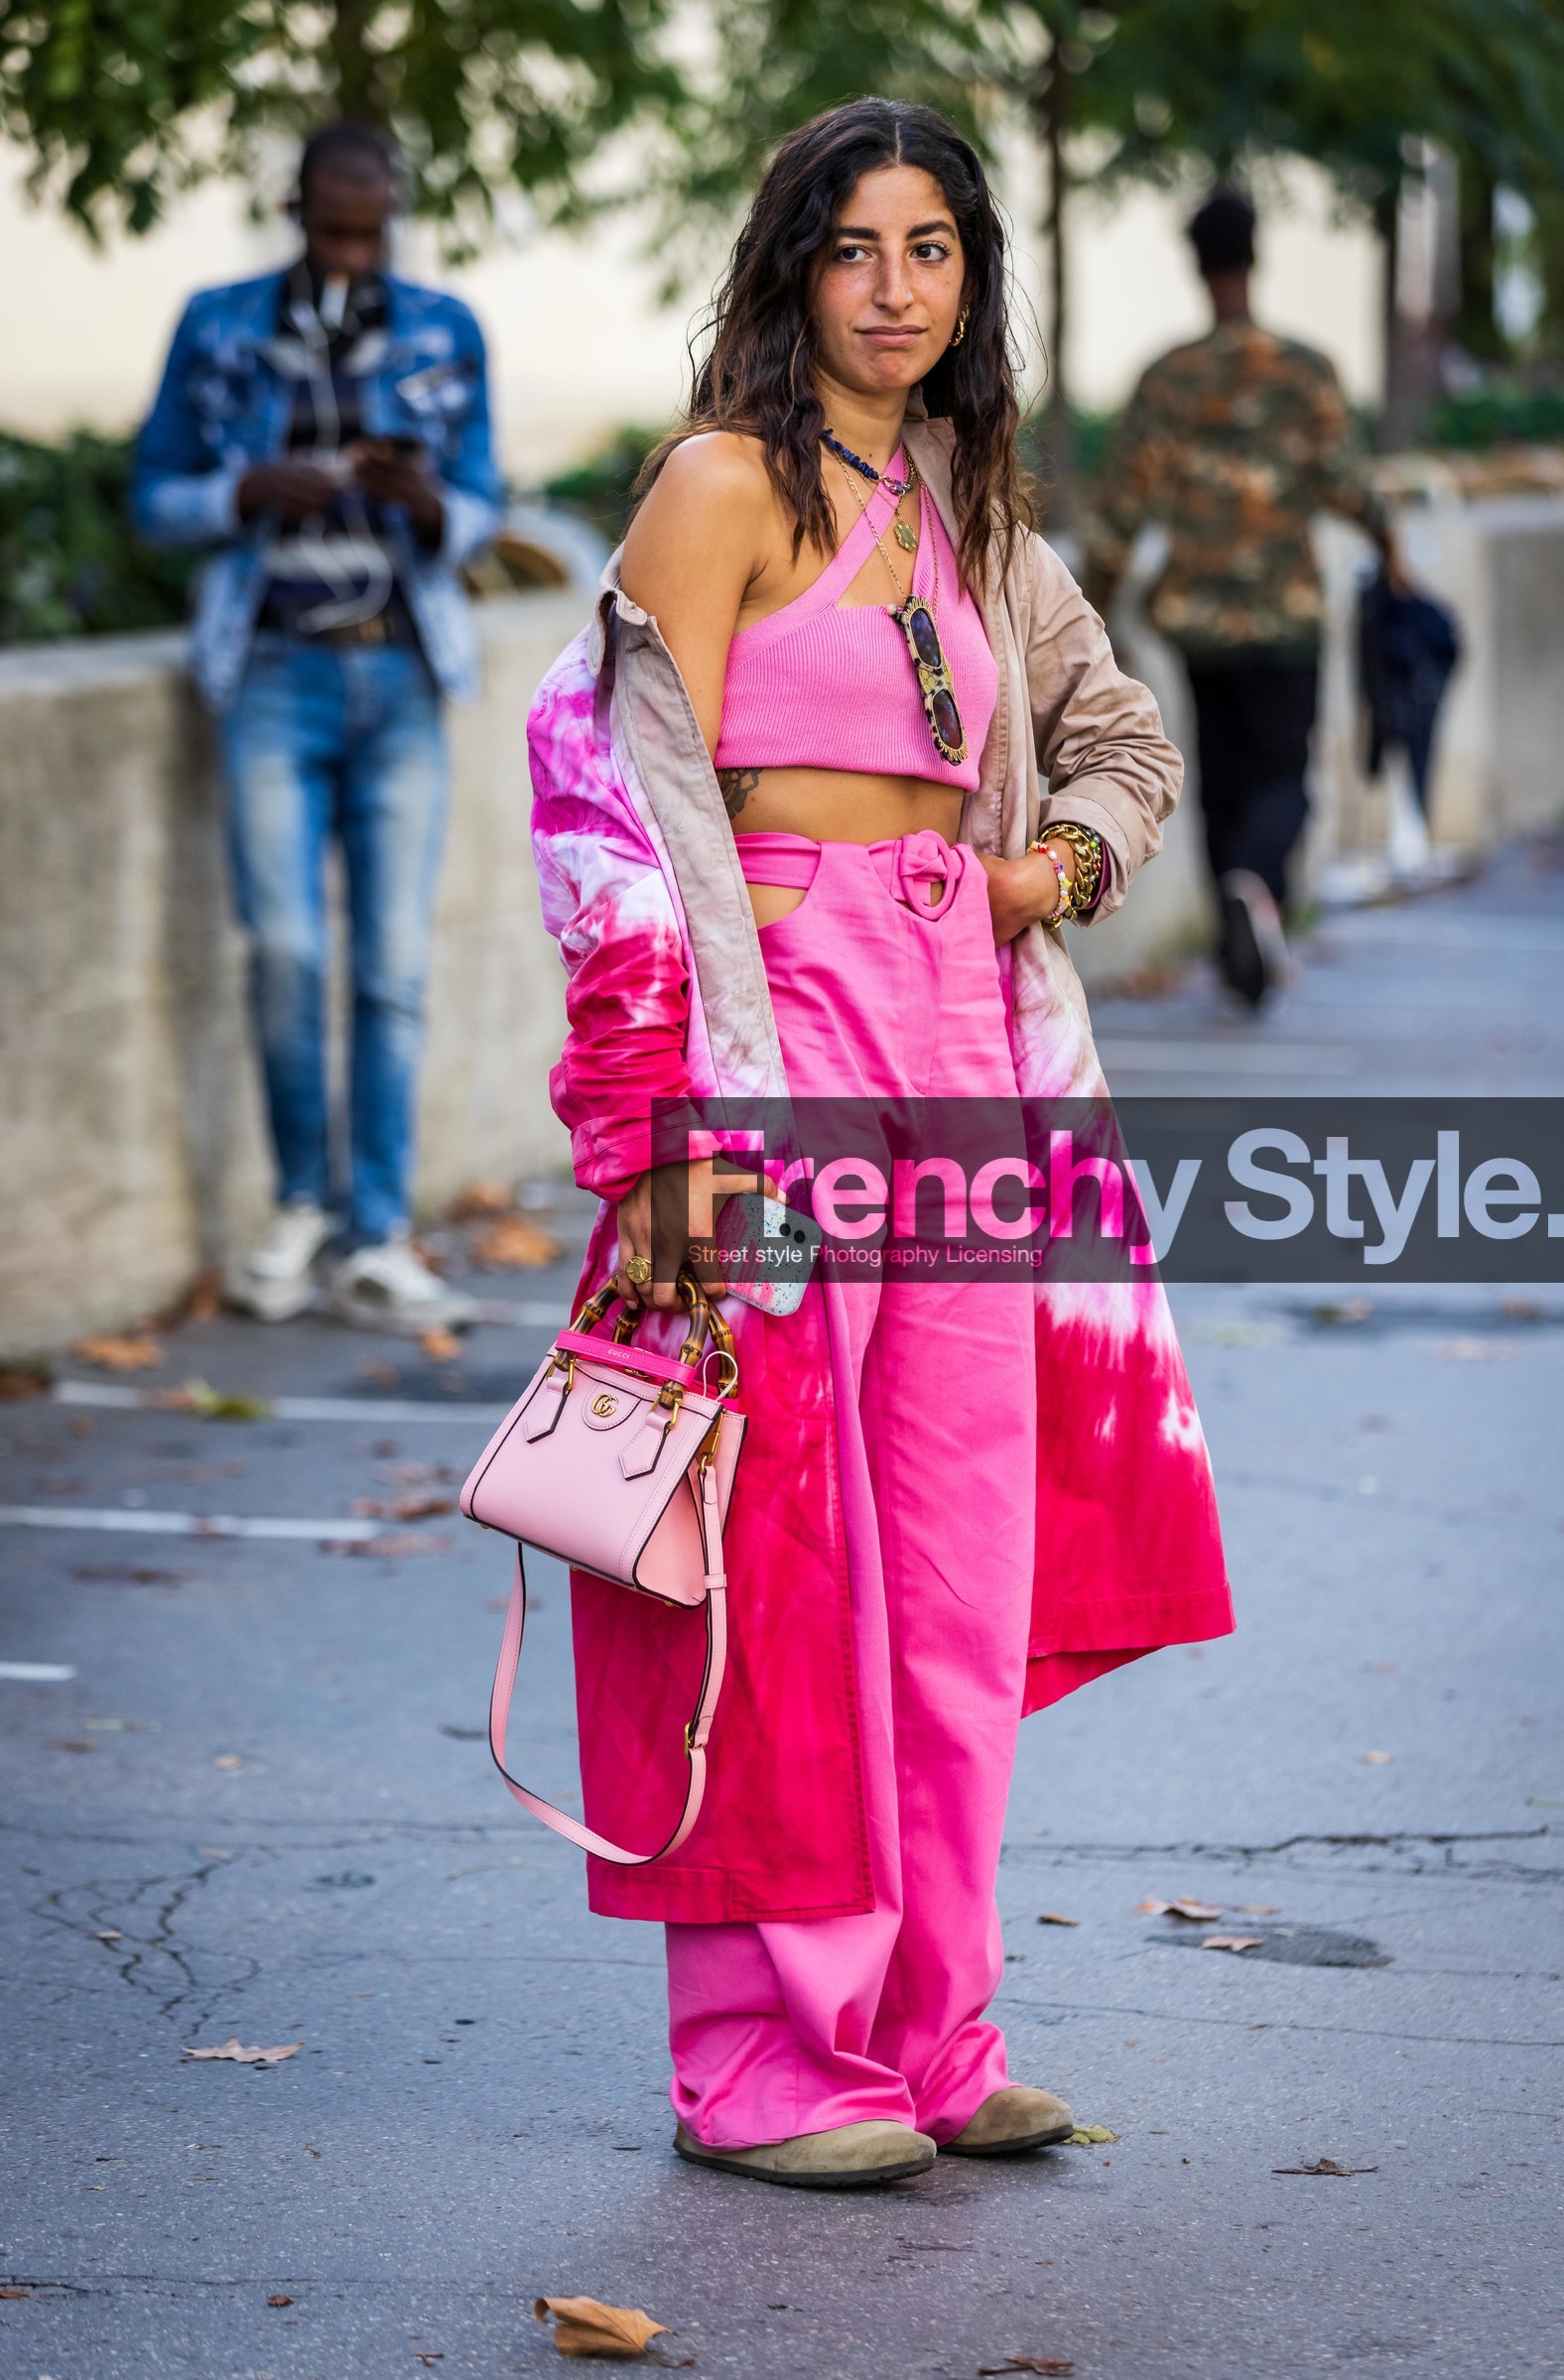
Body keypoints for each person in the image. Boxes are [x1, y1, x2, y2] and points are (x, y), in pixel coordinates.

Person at [525, 97, 1234, 2192]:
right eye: (857, 247)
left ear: (969, 280)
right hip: (781, 1033)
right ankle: (762, 2051)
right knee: (783, 1556)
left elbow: (1120, 733)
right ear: (790, 268)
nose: (895, 287)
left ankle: (930, 2028)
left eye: (933, 249)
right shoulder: (718, 485)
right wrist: (666, 1126)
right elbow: (605, 804)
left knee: (948, 1560)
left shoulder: (972, 505)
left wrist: (1052, 868)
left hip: (967, 1044)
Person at [133, 123, 501, 1326]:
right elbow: (153, 496)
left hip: (397, 672)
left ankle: (376, 1232)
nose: (354, 244)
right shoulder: (220, 322)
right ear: (296, 208)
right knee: (288, 953)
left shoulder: (443, 329)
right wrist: (243, 492)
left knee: (390, 965)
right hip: (274, 672)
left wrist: (424, 500)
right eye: (334, 224)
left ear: (389, 213)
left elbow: (485, 507)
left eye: (372, 225)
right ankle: (301, 1205)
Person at [1084, 185, 1402, 1004]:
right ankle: (1256, 890)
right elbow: (1348, 485)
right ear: (1256, 256)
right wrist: (1392, 548)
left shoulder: (1167, 379)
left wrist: (1096, 602)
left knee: (1220, 775)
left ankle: (1237, 933)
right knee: (1283, 774)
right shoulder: (1302, 371)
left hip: (1196, 618)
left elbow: (1120, 512)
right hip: (1284, 614)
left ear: (1197, 263)